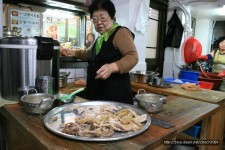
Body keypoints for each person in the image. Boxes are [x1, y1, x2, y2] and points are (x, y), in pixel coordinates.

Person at [61, 0, 138, 104]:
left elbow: (133, 56)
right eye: (95, 19)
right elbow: (88, 54)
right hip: (97, 95)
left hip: (115, 97)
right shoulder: (100, 38)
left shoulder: (120, 32)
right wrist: (70, 51)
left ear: (112, 16)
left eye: (102, 18)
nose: (99, 22)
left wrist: (112, 67)